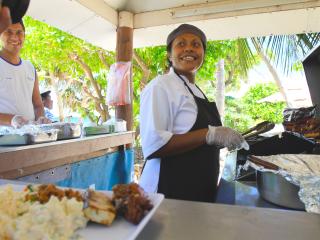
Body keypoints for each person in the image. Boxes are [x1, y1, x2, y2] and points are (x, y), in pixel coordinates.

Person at [139, 24, 249, 203]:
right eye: (181, 44)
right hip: (167, 194)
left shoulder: (196, 90)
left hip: (197, 191)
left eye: (196, 44)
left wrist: (220, 140)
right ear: (169, 54)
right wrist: (208, 134)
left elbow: (197, 142)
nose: (189, 48)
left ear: (203, 54)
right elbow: (154, 144)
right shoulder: (161, 85)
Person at [0, 20, 51, 127]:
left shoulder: (30, 67)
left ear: (24, 36)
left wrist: (41, 118)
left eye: (19, 32)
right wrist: (12, 120)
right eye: (8, 31)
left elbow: (38, 105)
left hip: (29, 137)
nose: (14, 37)